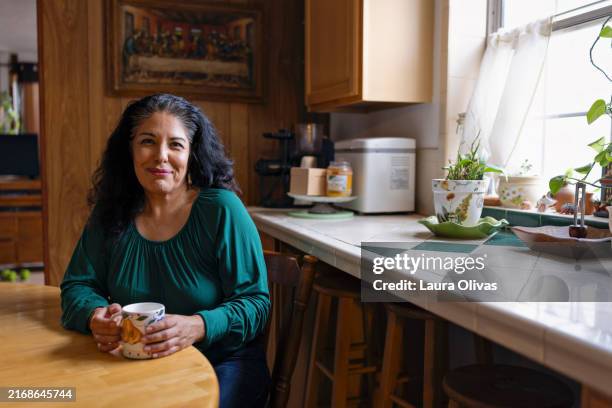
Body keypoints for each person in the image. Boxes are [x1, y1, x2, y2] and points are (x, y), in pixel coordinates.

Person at [60, 93, 271, 407]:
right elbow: (79, 284)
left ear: (192, 154)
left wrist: (197, 326)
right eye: (148, 141)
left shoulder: (222, 210)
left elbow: (256, 303)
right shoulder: (111, 213)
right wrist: (95, 316)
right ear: (129, 151)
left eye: (175, 144)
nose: (161, 156)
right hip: (142, 364)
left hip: (221, 362)